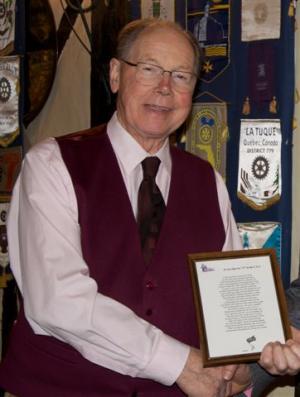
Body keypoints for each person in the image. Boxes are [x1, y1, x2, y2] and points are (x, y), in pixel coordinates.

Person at [0, 17, 298, 397]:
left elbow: (227, 308)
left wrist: (250, 363)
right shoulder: (52, 165)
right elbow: (58, 301)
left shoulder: (209, 182)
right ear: (115, 75)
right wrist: (179, 364)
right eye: (149, 69)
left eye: (181, 76)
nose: (164, 88)